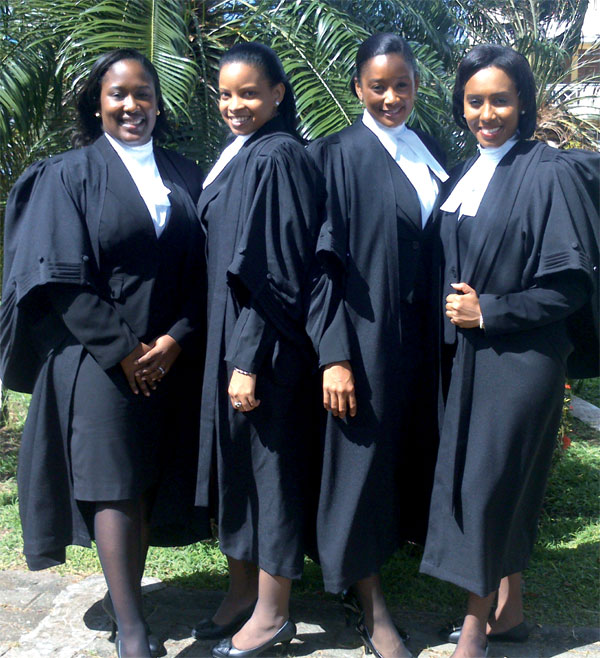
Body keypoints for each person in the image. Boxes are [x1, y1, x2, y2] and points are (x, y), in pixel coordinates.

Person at [0, 49, 209, 658]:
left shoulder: (185, 173)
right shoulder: (66, 174)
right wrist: (123, 351)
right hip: (95, 355)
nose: (132, 105)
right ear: (97, 102)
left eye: (143, 93)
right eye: (118, 94)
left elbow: (205, 267)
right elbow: (57, 274)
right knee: (112, 480)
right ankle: (134, 627)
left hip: (170, 350)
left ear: (158, 102)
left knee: (143, 476)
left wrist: (174, 338)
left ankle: (130, 605)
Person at [419, 44, 599, 658]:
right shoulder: (465, 172)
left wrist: (489, 311)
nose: (487, 112)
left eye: (500, 99)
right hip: (470, 359)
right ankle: (509, 613)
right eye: (475, 101)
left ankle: (473, 633)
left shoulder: (544, 170)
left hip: (521, 360)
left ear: (522, 102)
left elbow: (569, 285)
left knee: (490, 486)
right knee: (498, 485)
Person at [307, 33, 448, 658]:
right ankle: (369, 602)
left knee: (400, 458)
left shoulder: (428, 149)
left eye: (403, 86)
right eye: (379, 86)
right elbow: (318, 265)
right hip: (361, 339)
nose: (392, 97)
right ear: (357, 88)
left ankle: (389, 567)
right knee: (359, 466)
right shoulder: (333, 154)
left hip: (420, 338)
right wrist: (333, 352)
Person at [192, 42, 324, 658]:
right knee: (237, 472)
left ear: (277, 93)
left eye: (249, 92)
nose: (235, 105)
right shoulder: (239, 154)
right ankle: (241, 589)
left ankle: (274, 612)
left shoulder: (280, 157)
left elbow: (274, 270)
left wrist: (246, 359)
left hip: (264, 348)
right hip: (230, 340)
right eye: (225, 94)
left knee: (270, 475)